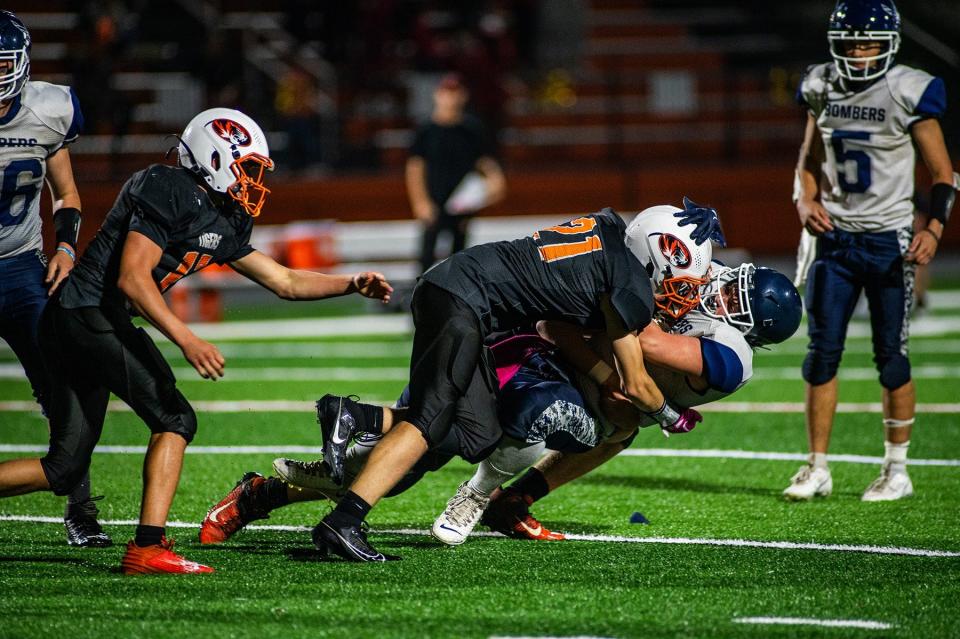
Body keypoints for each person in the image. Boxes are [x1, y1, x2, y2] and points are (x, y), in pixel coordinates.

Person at [0, 107, 393, 575]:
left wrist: (350, 282)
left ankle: (146, 546)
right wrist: (188, 339)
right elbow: (132, 278)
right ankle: (147, 547)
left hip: (79, 320)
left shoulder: (226, 217)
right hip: (86, 314)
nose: (253, 181)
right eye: (247, 167)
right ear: (214, 157)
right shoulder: (168, 187)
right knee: (175, 417)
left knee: (64, 468)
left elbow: (284, 280)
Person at [196, 207, 724, 546]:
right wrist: (668, 413)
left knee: (436, 441)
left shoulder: (610, 244)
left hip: (480, 322)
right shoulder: (626, 279)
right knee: (423, 440)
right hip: (490, 335)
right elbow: (614, 368)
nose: (689, 286)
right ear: (664, 249)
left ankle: (278, 490)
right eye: (688, 270)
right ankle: (332, 457)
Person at [476, 264, 803, 541]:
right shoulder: (709, 274)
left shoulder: (731, 356)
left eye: (735, 302)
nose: (722, 294)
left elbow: (644, 340)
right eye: (731, 286)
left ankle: (511, 497)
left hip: (607, 384)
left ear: (750, 331)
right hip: (575, 346)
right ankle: (477, 479)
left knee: (615, 427)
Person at [786, 0, 955, 502]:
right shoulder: (821, 84)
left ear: (889, 45)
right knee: (821, 356)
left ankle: (897, 469)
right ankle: (817, 465)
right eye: (852, 44)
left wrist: (935, 229)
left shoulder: (909, 90)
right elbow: (809, 156)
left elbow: (943, 174)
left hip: (889, 241)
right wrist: (806, 199)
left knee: (892, 359)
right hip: (834, 240)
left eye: (870, 44)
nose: (860, 54)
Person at [0, 11, 112, 547]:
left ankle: (81, 506)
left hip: (22, 268)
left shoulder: (49, 110)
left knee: (63, 386)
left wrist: (66, 246)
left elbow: (66, 195)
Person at [406, 73, 506, 275]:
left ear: (463, 95)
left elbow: (484, 161)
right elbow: (415, 168)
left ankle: (454, 294)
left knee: (459, 254)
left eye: (455, 93)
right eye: (446, 93)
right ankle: (422, 292)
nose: (450, 98)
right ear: (437, 95)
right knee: (427, 251)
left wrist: (496, 182)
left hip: (461, 202)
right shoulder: (426, 130)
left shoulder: (471, 129)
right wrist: (420, 201)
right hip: (434, 199)